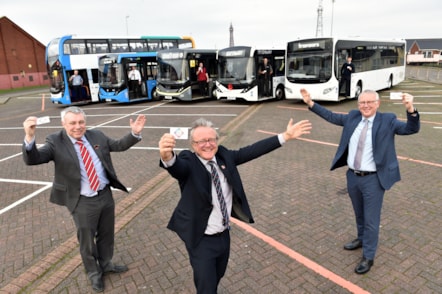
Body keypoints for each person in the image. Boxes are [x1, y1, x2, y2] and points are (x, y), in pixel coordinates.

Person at [158, 117, 312, 293]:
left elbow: (252, 150)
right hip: (201, 239)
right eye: (201, 141)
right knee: (206, 287)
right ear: (193, 145)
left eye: (211, 139)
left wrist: (285, 136)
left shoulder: (223, 156)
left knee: (217, 275)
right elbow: (177, 167)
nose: (207, 145)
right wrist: (167, 156)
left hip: (224, 235)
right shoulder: (189, 161)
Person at [22, 107, 146, 292]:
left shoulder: (96, 135)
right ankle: (93, 273)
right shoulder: (55, 141)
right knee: (87, 241)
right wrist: (30, 137)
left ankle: (106, 264)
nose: (78, 127)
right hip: (81, 201)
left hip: (105, 195)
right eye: (72, 123)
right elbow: (34, 159)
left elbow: (118, 145)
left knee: (106, 234)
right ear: (63, 124)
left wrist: (134, 133)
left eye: (81, 122)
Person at [300, 88, 420, 274]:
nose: (365, 106)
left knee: (372, 220)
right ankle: (361, 238)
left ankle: (368, 256)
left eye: (369, 102)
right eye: (362, 102)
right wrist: (310, 103)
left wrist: (411, 109)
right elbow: (331, 116)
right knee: (359, 213)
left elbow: (411, 129)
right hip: (353, 176)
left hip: (373, 179)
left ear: (377, 104)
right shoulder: (353, 117)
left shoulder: (387, 120)